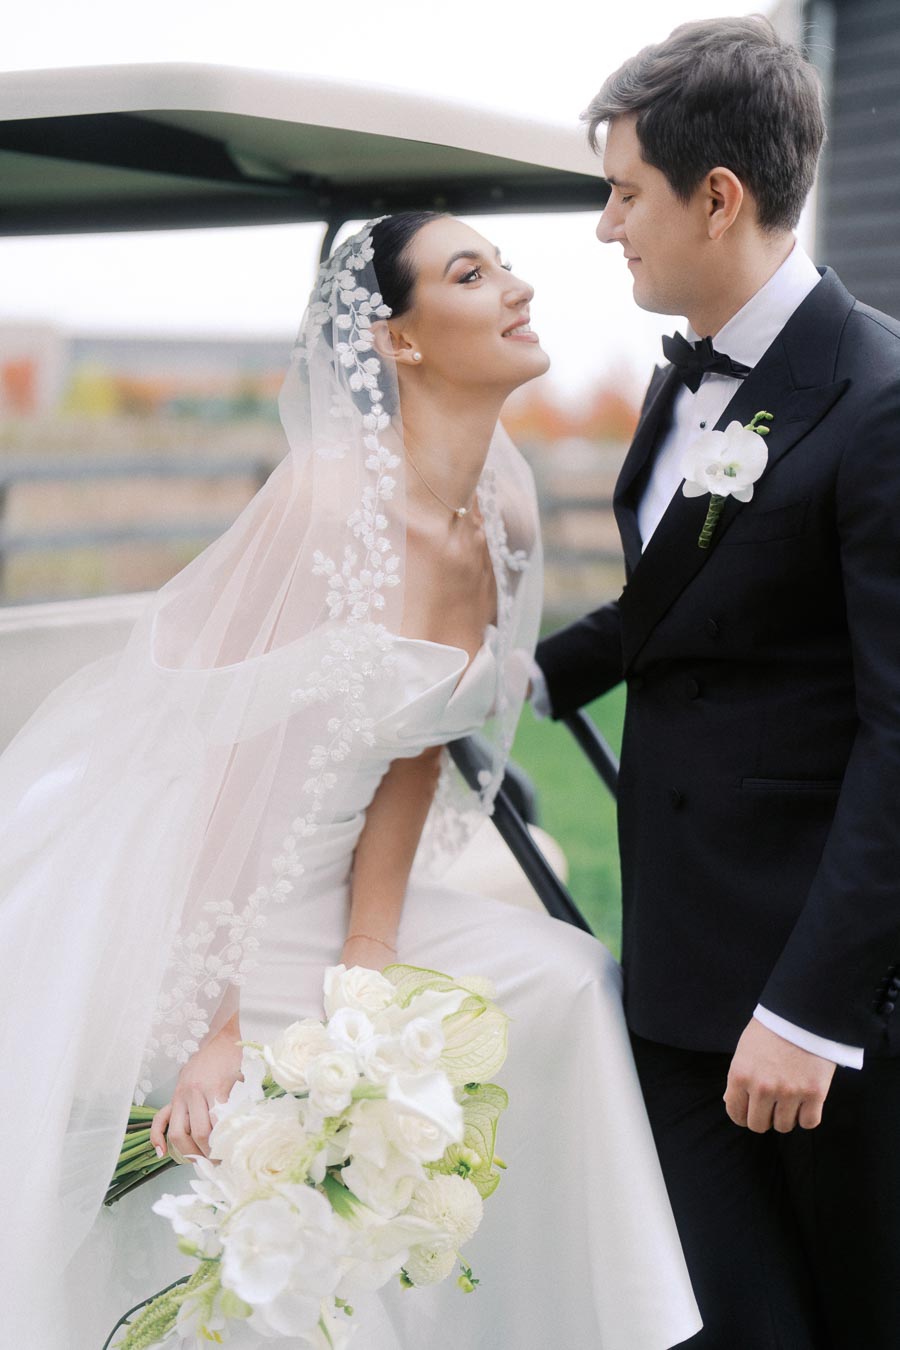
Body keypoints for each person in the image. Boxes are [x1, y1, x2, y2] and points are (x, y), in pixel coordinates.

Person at [0, 212, 701, 1350]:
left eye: (506, 264)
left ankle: (578, 1321)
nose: (518, 286)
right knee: (285, 1106)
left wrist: (369, 970)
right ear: (399, 342)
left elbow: (414, 744)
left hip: (338, 888)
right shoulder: (325, 505)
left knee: (566, 975)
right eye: (472, 273)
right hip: (208, 891)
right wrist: (213, 1022)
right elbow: (218, 773)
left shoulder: (503, 511)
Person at [534, 16, 900, 1349]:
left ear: (720, 197)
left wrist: (812, 1008)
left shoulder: (879, 402)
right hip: (678, 975)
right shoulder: (683, 381)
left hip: (812, 1015)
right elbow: (673, 601)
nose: (605, 226)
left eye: (624, 192)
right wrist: (513, 674)